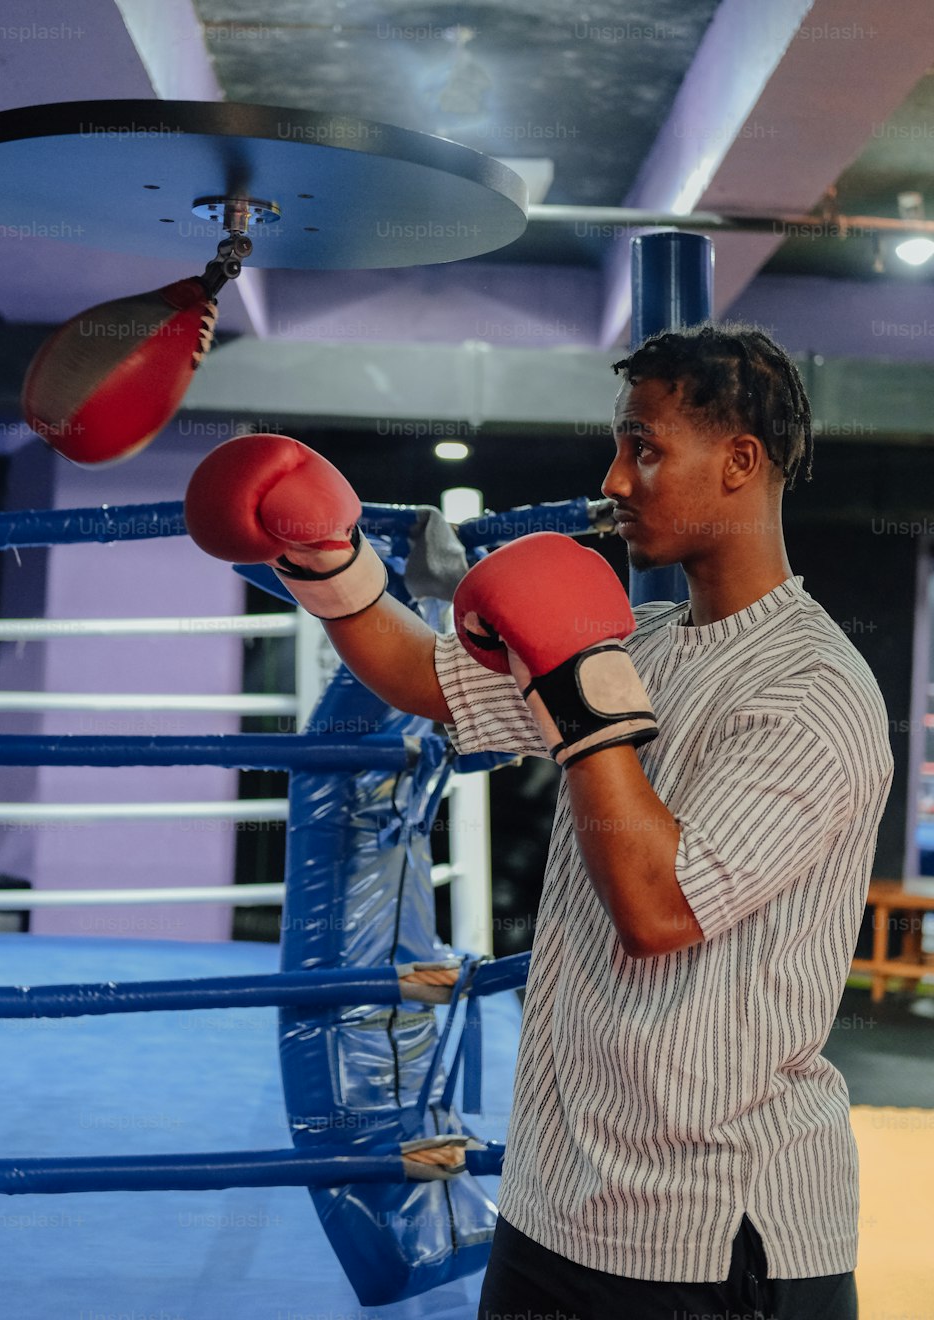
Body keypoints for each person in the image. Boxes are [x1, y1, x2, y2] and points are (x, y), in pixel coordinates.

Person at [184, 322, 893, 1320]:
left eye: (643, 449)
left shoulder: (813, 691)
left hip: (713, 1238)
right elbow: (424, 677)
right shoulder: (636, 643)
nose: (612, 479)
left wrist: (578, 691)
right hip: (556, 1206)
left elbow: (655, 908)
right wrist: (329, 562)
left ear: (740, 462)